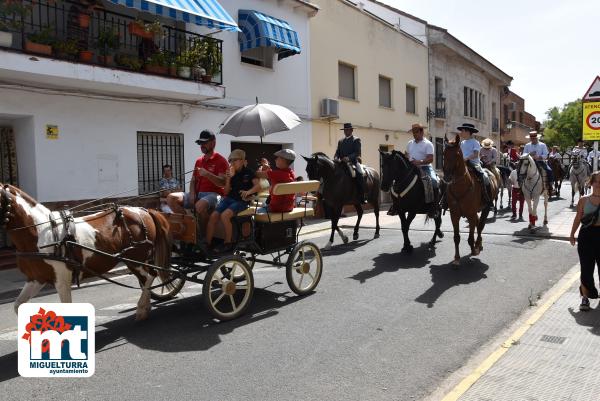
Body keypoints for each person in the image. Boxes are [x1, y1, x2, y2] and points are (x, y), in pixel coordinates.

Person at [167, 130, 228, 235]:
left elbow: (222, 183)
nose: (202, 145)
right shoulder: (199, 161)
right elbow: (193, 181)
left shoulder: (221, 160)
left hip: (215, 195)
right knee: (171, 198)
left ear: (213, 143)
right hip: (198, 193)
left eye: (204, 142)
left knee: (200, 205)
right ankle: (191, 228)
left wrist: (208, 174)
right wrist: (191, 193)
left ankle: (203, 236)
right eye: (200, 143)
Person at [205, 149, 255, 253]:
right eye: (230, 161)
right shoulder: (232, 174)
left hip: (242, 201)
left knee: (225, 215)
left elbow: (258, 186)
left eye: (234, 160)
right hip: (229, 199)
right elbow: (226, 192)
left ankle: (227, 243)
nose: (231, 163)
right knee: (213, 216)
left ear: (241, 160)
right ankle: (207, 244)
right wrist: (228, 179)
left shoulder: (249, 172)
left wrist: (248, 191)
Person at [569, 171, 600, 311]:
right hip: (586, 236)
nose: (599, 184)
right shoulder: (583, 199)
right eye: (596, 181)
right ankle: (585, 298)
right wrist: (572, 233)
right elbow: (577, 218)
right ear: (591, 182)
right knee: (586, 268)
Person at [457, 123, 493, 207]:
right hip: (463, 164)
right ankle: (445, 199)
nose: (461, 133)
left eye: (462, 131)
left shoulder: (475, 142)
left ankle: (488, 199)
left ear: (467, 131)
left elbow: (476, 154)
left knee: (485, 178)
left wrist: (466, 159)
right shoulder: (462, 143)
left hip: (474, 164)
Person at [334, 122, 366, 204]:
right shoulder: (340, 141)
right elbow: (337, 152)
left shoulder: (356, 140)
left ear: (351, 130)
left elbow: (357, 152)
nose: (346, 131)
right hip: (341, 163)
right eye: (345, 130)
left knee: (360, 174)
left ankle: (362, 196)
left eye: (348, 130)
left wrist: (348, 158)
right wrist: (336, 158)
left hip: (353, 162)